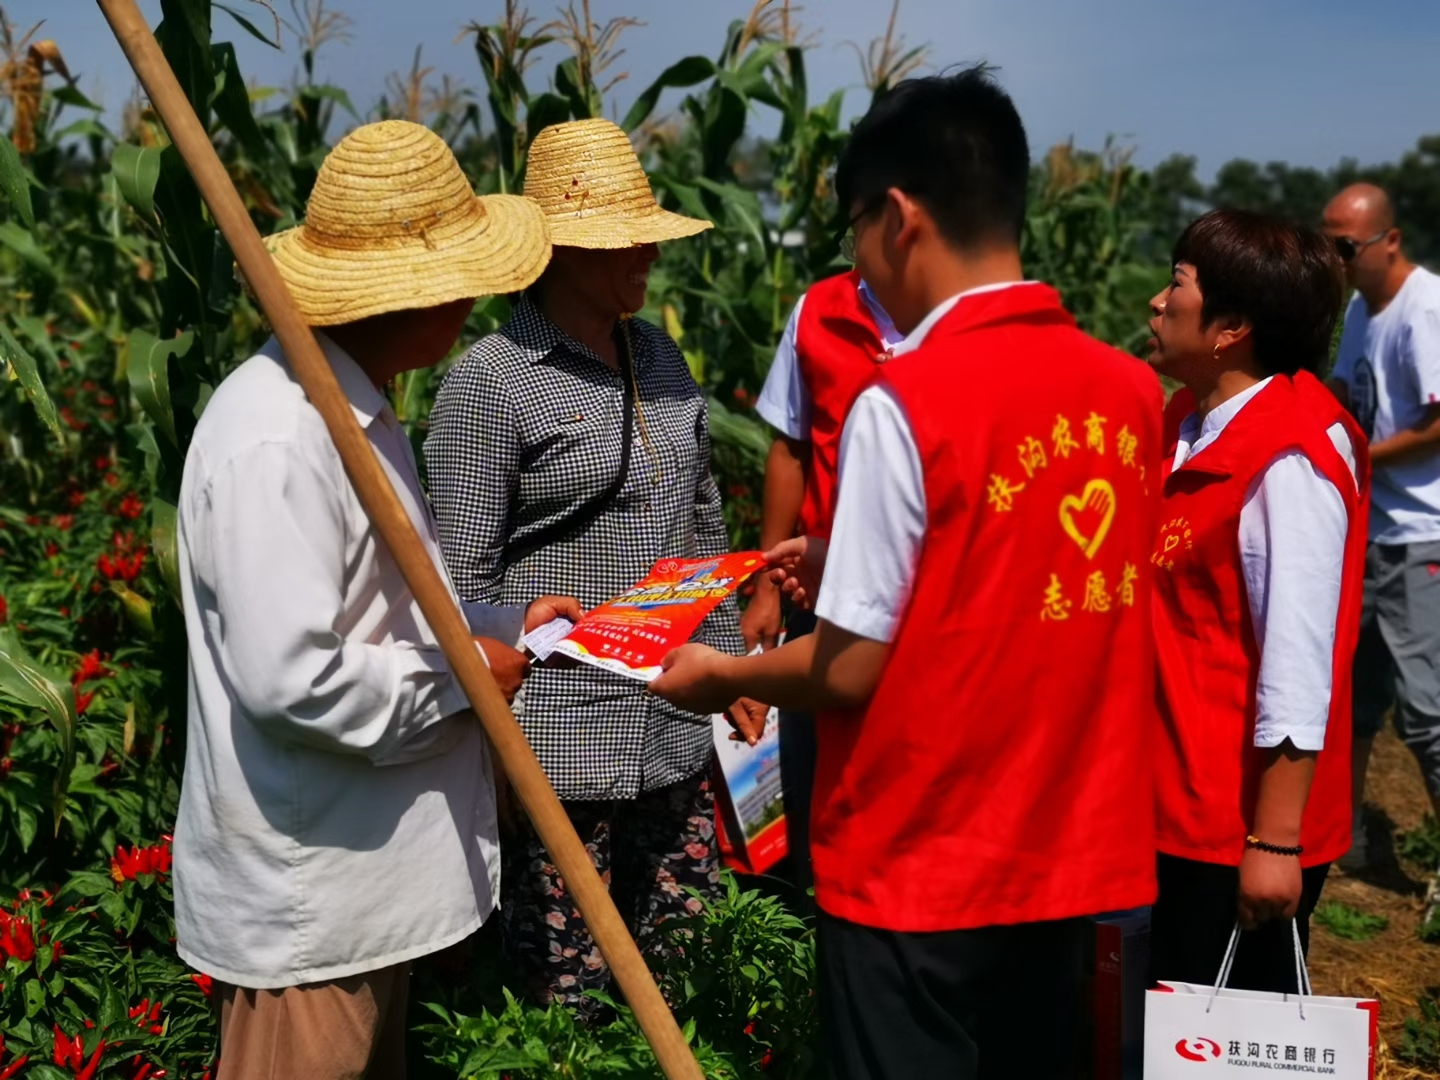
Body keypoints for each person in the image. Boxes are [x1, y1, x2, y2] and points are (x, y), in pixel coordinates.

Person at [651, 69, 1162, 1079]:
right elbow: (1018, 569)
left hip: (920, 860)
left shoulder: (904, 401)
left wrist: (720, 677)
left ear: (897, 217)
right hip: (1070, 854)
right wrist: (841, 559)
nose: (857, 260)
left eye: (854, 228)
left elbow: (847, 669)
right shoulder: (1132, 391)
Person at [173, 121, 580, 1078]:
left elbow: (382, 608)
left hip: (363, 888)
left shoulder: (358, 407)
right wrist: (465, 676)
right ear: (412, 294)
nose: (475, 301)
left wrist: (500, 625)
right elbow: (295, 679)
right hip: (312, 906)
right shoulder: (279, 436)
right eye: (462, 280)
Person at [425, 117, 756, 1015]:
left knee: (689, 973)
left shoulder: (659, 356)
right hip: (559, 745)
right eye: (623, 238)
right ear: (560, 251)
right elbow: (460, 582)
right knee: (564, 1004)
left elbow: (701, 517)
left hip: (672, 726)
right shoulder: (491, 381)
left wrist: (730, 660)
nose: (648, 252)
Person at [1143, 210, 1369, 994]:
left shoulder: (1289, 457)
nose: (1157, 302)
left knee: (1216, 1029)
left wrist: (1274, 842)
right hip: (1172, 794)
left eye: (1177, 284)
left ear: (1232, 328)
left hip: (1229, 823)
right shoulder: (1187, 420)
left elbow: (1298, 659)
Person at [743, 270, 903, 888]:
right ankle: (819, 906)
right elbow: (791, 448)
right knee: (815, 779)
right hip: (820, 592)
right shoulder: (819, 311)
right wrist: (766, 585)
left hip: (922, 604)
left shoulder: (961, 313)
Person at [1323, 183, 1440, 890]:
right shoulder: (1361, 309)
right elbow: (1345, 395)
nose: (1336, 260)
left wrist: (1359, 455)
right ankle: (1349, 836)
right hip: (1371, 528)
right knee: (1355, 699)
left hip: (1420, 533)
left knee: (1425, 713)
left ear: (1388, 241)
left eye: (1345, 247)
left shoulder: (1424, 309)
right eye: (1328, 246)